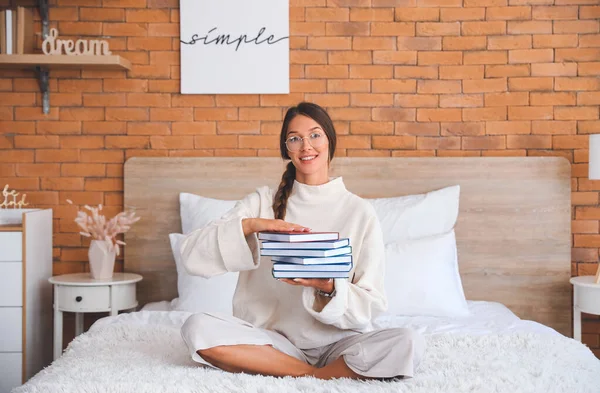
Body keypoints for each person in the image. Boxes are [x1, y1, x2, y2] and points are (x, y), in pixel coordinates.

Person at [179, 102, 425, 380]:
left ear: (330, 140)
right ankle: (316, 375)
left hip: (339, 344)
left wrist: (328, 286)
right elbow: (190, 255)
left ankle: (302, 372)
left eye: (315, 135)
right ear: (287, 149)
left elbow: (372, 303)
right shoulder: (262, 202)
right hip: (272, 343)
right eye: (295, 138)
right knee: (196, 327)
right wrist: (252, 225)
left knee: (409, 342)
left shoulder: (359, 212)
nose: (306, 146)